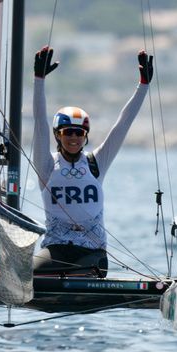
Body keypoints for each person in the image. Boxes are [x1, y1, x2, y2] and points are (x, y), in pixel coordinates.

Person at [32, 46, 153, 277]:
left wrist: (143, 86)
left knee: (80, 271)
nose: (74, 138)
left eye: (79, 133)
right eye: (68, 132)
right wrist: (39, 81)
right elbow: (39, 123)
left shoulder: (96, 163)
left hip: (91, 252)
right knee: (35, 276)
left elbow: (122, 125)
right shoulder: (47, 165)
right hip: (55, 250)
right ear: (58, 135)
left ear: (85, 136)